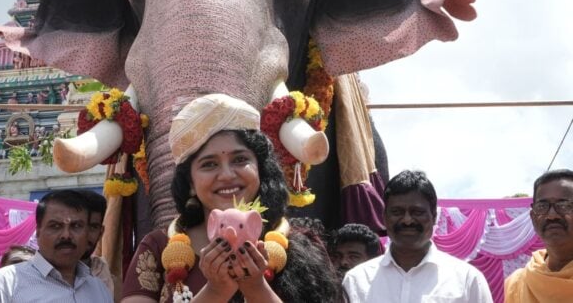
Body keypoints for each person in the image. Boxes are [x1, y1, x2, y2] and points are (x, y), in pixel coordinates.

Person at [122, 94, 340, 303]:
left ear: (260, 170)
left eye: (240, 160)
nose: (227, 175)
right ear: (190, 183)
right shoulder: (158, 248)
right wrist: (216, 292)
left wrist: (257, 289)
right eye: (209, 164)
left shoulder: (299, 246)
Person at [343, 170, 492, 302]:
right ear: (384, 217)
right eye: (397, 212)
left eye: (417, 212)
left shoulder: (467, 280)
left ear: (434, 216)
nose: (407, 220)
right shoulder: (356, 281)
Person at [0, 189, 113, 302]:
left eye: (76, 226)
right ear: (38, 231)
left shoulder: (98, 289)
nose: (66, 235)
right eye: (55, 226)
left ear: (88, 232)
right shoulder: (2, 287)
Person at [504, 169, 573, 302]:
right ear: (533, 217)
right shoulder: (517, 284)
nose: (552, 215)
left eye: (564, 205)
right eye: (542, 207)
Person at [77, 189, 115, 297]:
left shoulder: (107, 277)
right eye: (78, 226)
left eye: (93, 227)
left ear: (101, 232)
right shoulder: (34, 279)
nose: (85, 234)